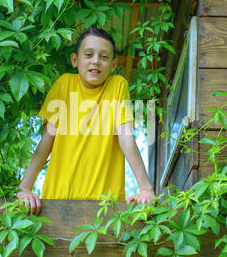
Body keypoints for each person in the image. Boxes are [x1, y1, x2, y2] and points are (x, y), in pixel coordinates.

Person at [17, 27, 155, 215]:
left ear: (114, 65)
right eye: (88, 54)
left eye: (104, 57)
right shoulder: (64, 84)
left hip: (105, 205)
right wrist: (24, 188)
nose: (96, 61)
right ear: (75, 60)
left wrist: (145, 189)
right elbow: (47, 140)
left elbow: (126, 137)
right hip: (57, 200)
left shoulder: (117, 85)